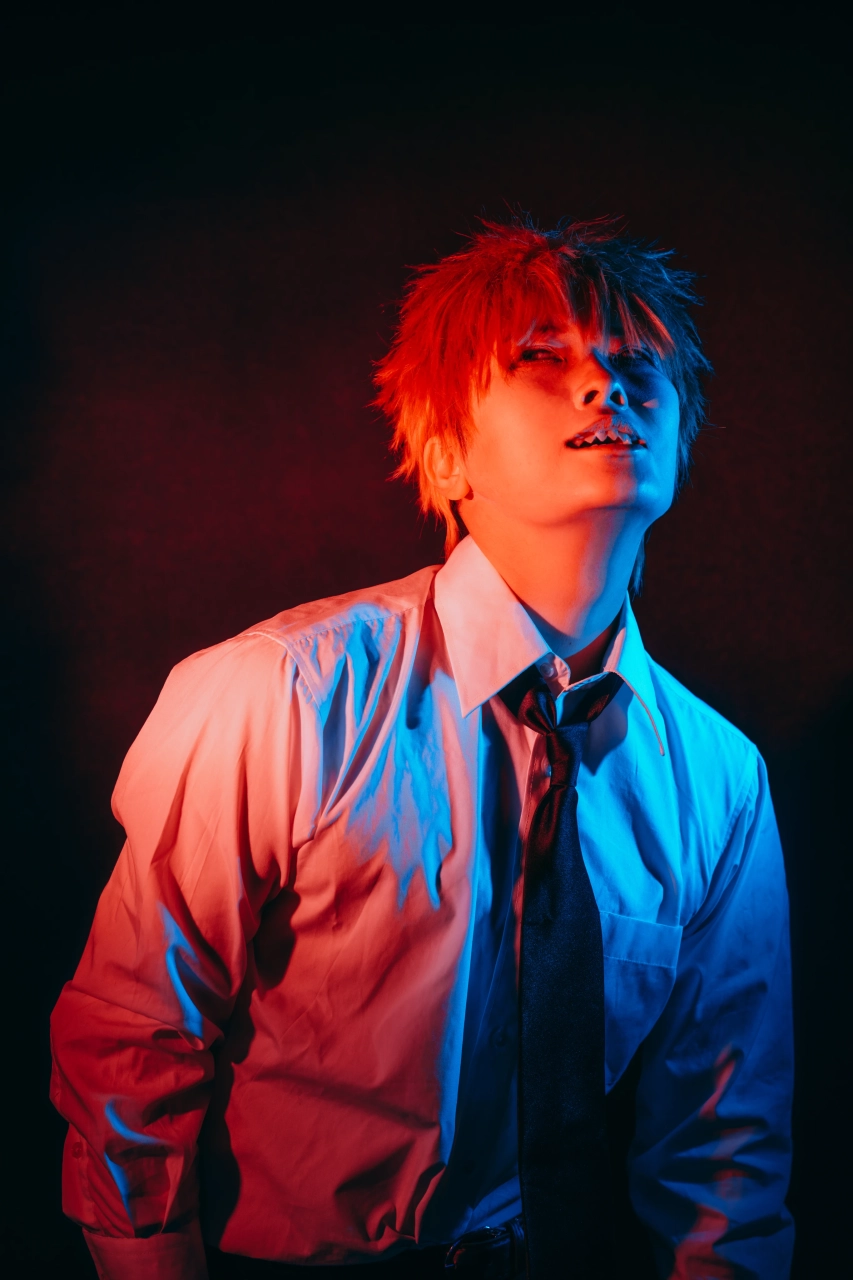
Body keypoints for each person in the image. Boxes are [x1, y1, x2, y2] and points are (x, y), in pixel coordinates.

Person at [50, 217, 793, 1280]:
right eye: (540, 357)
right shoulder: (283, 693)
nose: (605, 384)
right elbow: (136, 1029)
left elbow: (723, 1144)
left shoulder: (718, 778)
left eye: (638, 363)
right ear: (445, 454)